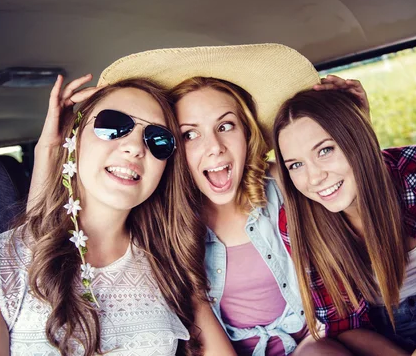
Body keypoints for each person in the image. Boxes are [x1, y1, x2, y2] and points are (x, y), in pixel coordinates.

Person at [43, 44, 370, 355]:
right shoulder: (160, 222)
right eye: (189, 134)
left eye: (225, 126)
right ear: (168, 148)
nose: (214, 146)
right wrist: (49, 149)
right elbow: (40, 231)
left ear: (247, 133)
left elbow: (359, 203)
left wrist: (355, 126)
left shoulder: (286, 181)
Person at [0, 77, 235, 355]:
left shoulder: (170, 265)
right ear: (73, 139)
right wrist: (48, 150)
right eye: (113, 126)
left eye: (157, 140)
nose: (135, 147)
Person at [272, 88, 416, 355]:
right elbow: (342, 322)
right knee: (312, 351)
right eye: (296, 165)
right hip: (369, 335)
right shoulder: (296, 222)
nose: (314, 178)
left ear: (356, 138)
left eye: (325, 150)